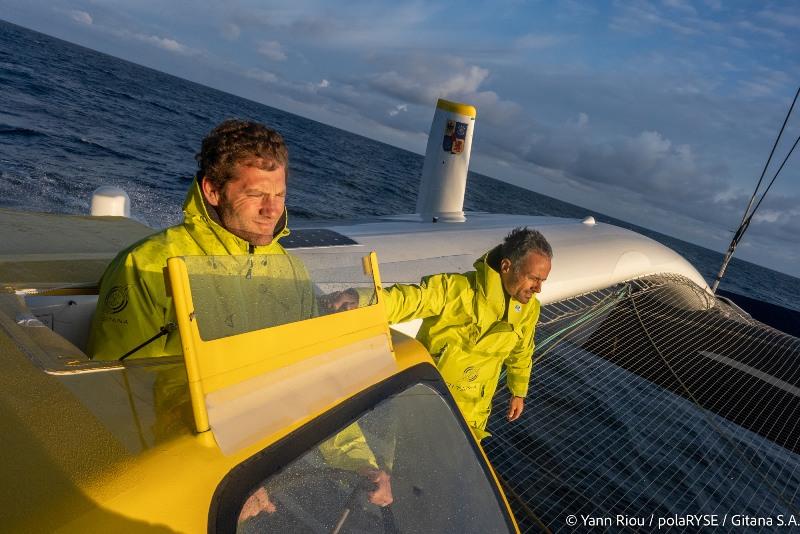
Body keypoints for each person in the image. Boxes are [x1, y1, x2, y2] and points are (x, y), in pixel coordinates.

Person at [87, 119, 392, 511]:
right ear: (212, 191)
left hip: (264, 472)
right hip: (189, 484)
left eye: (280, 195)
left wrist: (360, 463)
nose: (272, 210)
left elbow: (313, 380)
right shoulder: (147, 266)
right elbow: (118, 402)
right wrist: (215, 479)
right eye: (255, 194)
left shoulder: (291, 273)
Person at [330, 227, 552, 441]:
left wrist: (518, 392)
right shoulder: (456, 290)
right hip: (424, 403)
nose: (538, 288)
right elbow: (410, 300)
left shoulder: (530, 310)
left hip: (471, 419)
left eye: (543, 281)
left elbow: (522, 352)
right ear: (506, 266)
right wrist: (365, 301)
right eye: (533, 278)